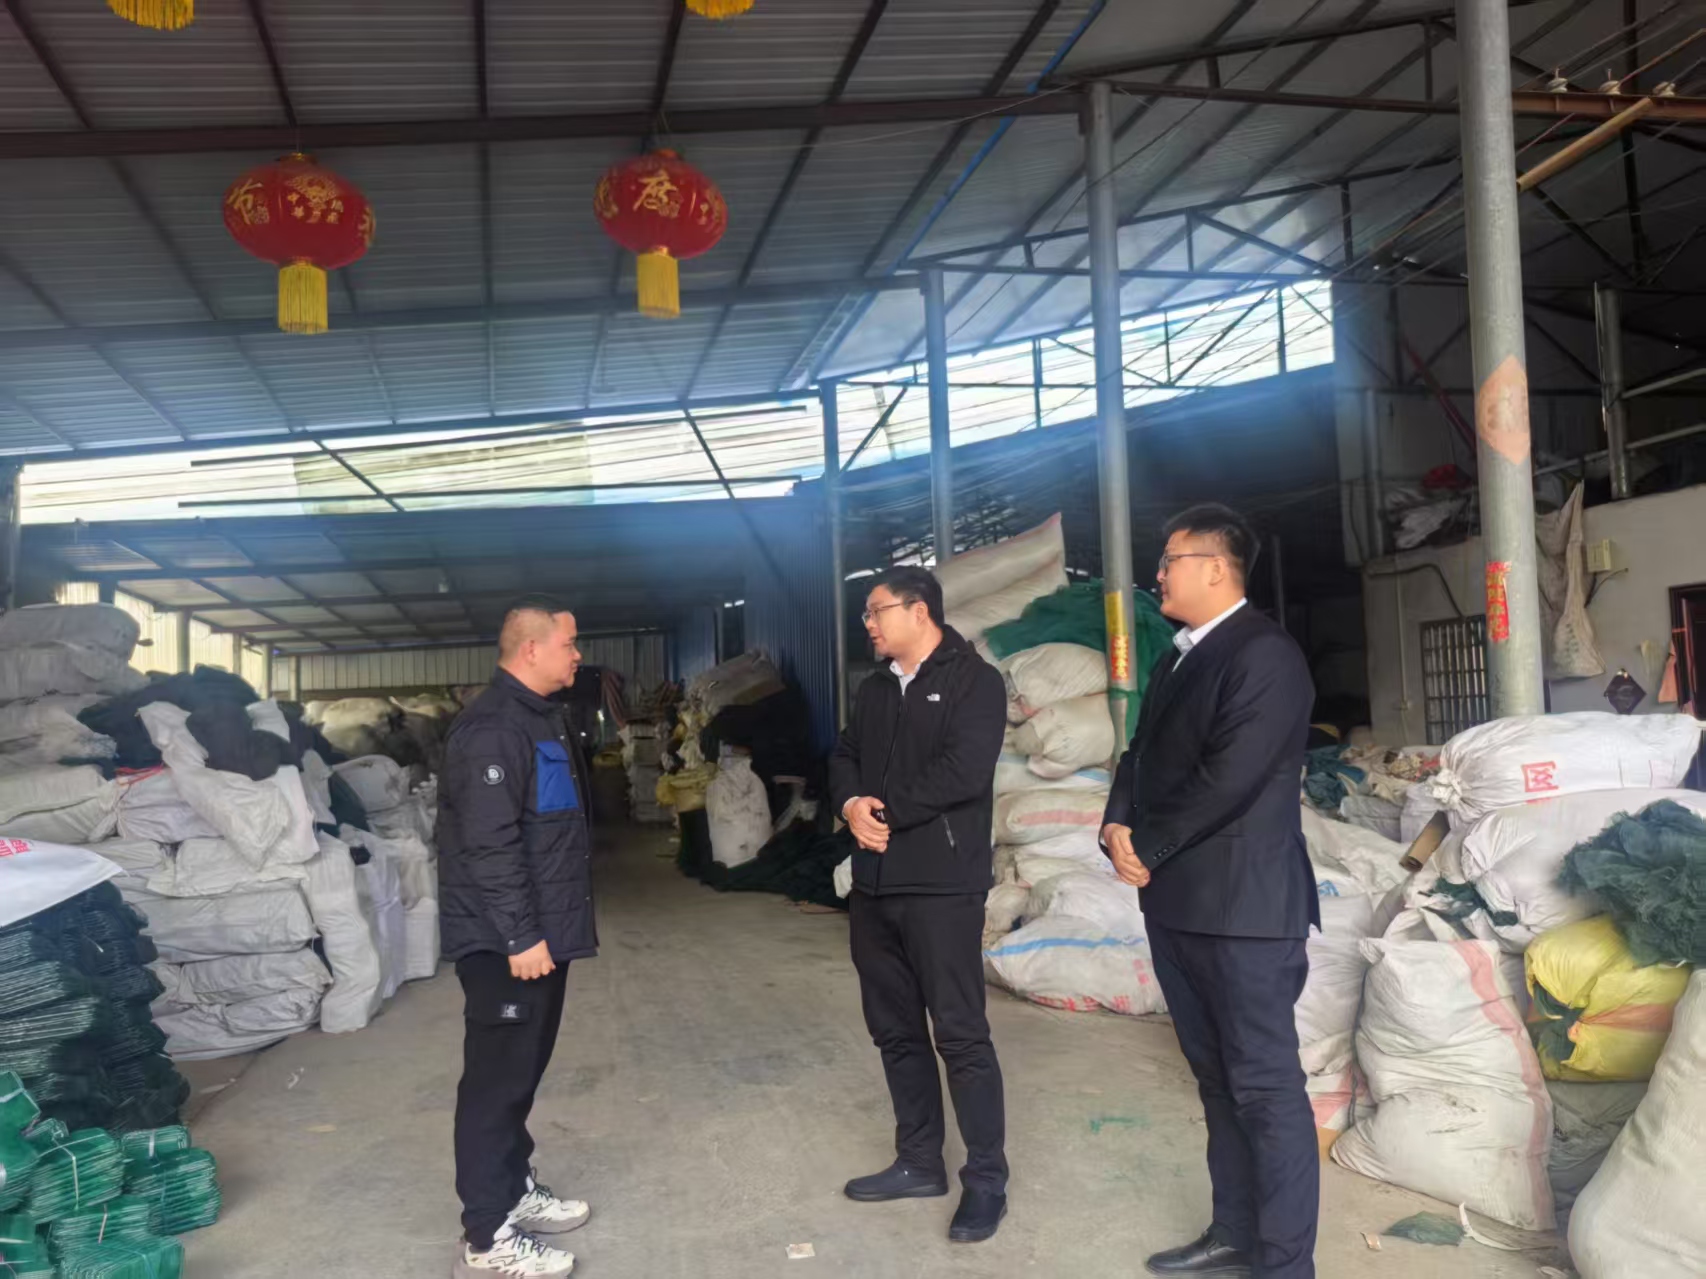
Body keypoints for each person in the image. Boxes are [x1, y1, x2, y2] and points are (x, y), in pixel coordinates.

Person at [1101, 505, 1319, 1279]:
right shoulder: (1176, 659)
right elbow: (1138, 754)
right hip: (1178, 905)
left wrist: (1148, 843)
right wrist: (1115, 822)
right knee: (1217, 1082)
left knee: (1265, 1088)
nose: (1158, 573)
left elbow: (1229, 777)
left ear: (1218, 568)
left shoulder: (1265, 655)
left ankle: (1286, 1263)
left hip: (1244, 912)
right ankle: (1235, 1231)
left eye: (1171, 560)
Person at [829, 566, 1010, 1244]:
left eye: (876, 611)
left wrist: (887, 813)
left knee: (960, 1034)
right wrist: (852, 804)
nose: (868, 624)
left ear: (919, 611)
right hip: (875, 886)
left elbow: (964, 770)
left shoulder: (975, 681)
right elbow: (844, 754)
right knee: (895, 1030)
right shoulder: (875, 687)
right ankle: (918, 1162)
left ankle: (986, 1180)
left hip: (942, 885)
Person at [438, 597, 598, 1279]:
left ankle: (513, 1185)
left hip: (540, 936)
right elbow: (489, 843)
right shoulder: (493, 728)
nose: (578, 654)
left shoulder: (537, 717)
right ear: (531, 648)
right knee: (495, 1083)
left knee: (521, 1072)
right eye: (568, 643)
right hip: (508, 942)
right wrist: (521, 934)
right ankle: (487, 1233)